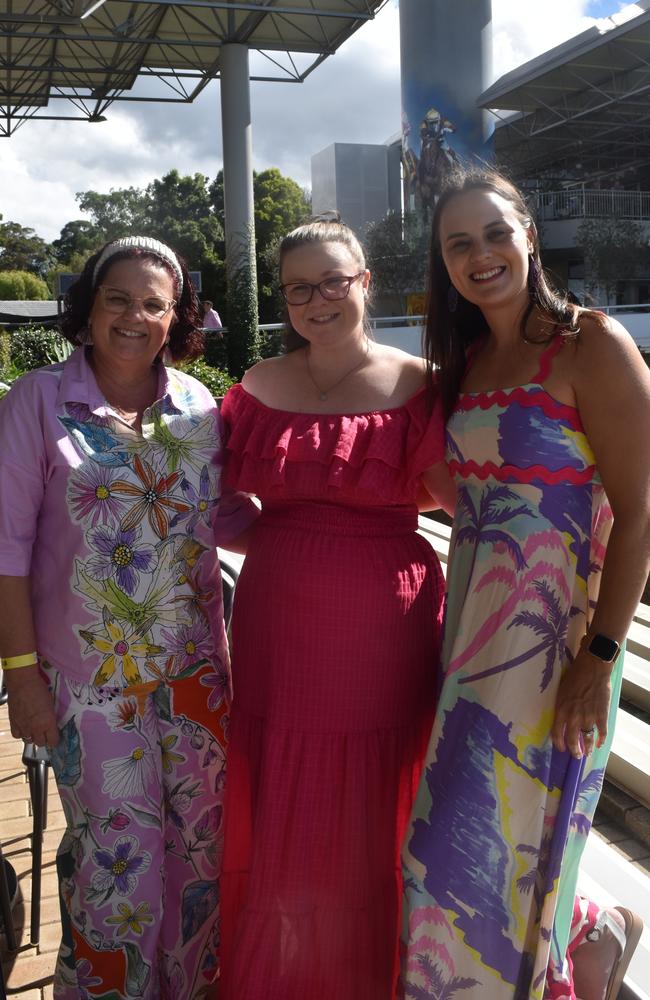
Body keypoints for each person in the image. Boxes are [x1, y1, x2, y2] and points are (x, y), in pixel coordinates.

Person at [400, 168, 650, 998]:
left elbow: (642, 511)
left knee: (504, 857)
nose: (481, 255)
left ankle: (572, 949)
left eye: (495, 233)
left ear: (529, 234)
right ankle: (596, 928)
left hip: (556, 650)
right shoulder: (467, 362)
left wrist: (600, 657)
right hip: (472, 646)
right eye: (458, 244)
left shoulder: (591, 344)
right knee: (453, 852)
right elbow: (463, 493)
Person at [0, 236, 258, 1000]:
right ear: (88, 306)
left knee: (201, 856)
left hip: (195, 677)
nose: (135, 316)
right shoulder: (37, 401)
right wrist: (21, 677)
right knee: (119, 860)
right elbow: (6, 550)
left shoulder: (198, 405)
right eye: (118, 298)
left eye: (154, 303)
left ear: (176, 316)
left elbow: (227, 518)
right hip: (87, 684)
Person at [218, 215, 456, 999]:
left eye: (333, 281)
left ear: (365, 282)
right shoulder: (254, 385)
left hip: (382, 622)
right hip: (276, 621)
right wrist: (287, 545)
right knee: (282, 782)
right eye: (298, 288)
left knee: (369, 791)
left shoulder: (424, 382)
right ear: (284, 299)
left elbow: (475, 501)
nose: (317, 299)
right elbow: (210, 503)